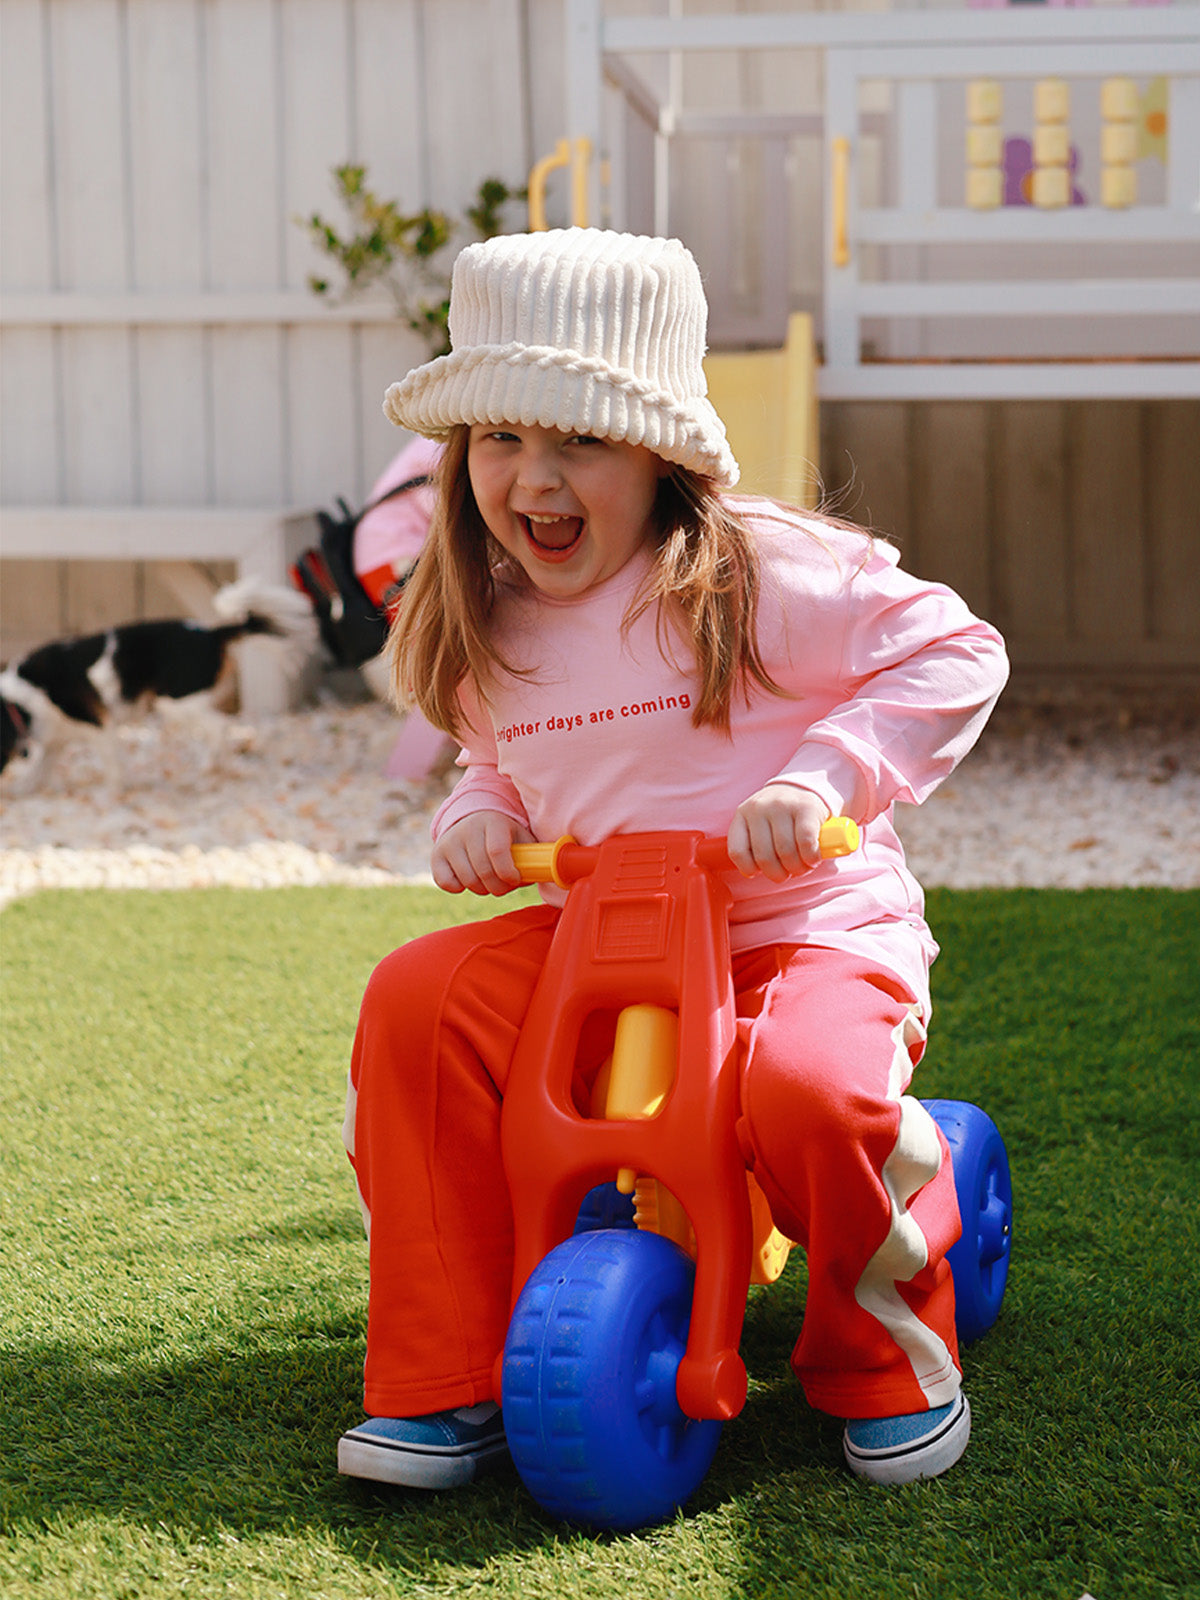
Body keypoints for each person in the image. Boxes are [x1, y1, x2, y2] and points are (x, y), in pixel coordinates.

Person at [337, 227, 1009, 1494]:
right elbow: (497, 758)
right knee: (421, 1000)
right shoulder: (489, 604)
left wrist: (822, 776)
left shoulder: (757, 571)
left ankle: (885, 1349)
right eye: (501, 440)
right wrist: (471, 815)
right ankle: (448, 1371)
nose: (533, 478)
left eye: (578, 438)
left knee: (807, 1085)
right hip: (612, 945)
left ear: (659, 452)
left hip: (799, 925)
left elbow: (956, 651)